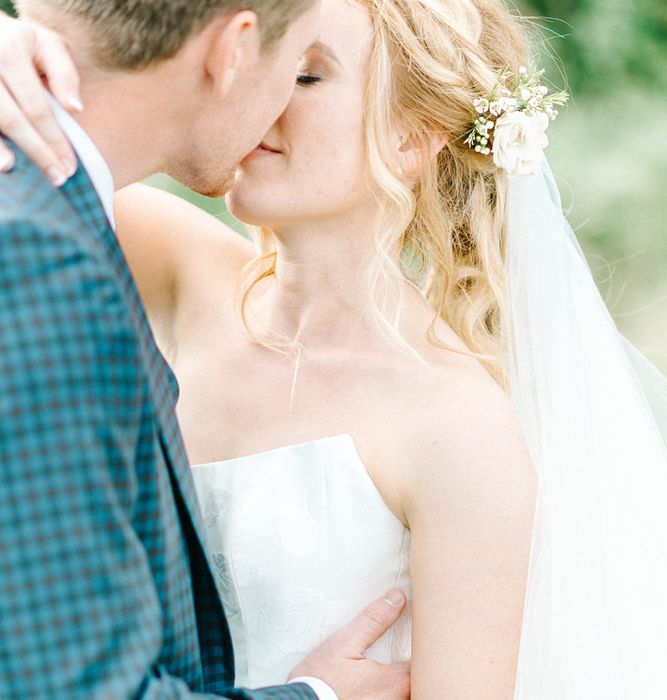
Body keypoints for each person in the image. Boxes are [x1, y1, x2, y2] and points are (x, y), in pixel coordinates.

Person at [4, 0, 667, 697]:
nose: (263, 93)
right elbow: (68, 148)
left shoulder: (458, 427)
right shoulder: (187, 270)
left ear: (410, 138)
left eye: (306, 74)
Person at [0, 2, 412, 699]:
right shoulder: (39, 257)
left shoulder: (52, 217)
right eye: (299, 63)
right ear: (234, 50)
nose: (284, 98)